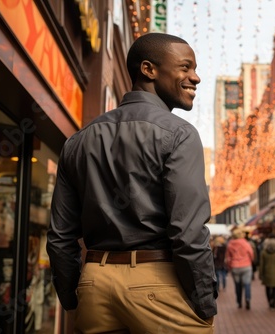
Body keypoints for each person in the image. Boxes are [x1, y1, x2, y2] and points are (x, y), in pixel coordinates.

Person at [46, 33, 217, 333]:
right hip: (157, 283)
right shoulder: (180, 134)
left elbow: (60, 237)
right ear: (148, 70)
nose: (196, 77)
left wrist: (74, 298)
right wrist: (204, 302)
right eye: (185, 67)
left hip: (94, 284)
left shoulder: (77, 141)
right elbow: (187, 233)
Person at [226, 228, 255, 310]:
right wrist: (251, 261)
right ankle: (248, 299)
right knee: (247, 284)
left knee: (238, 285)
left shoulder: (230, 244)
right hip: (246, 266)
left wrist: (229, 266)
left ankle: (239, 302)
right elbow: (251, 253)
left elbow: (228, 257)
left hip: (235, 266)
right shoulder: (245, 243)